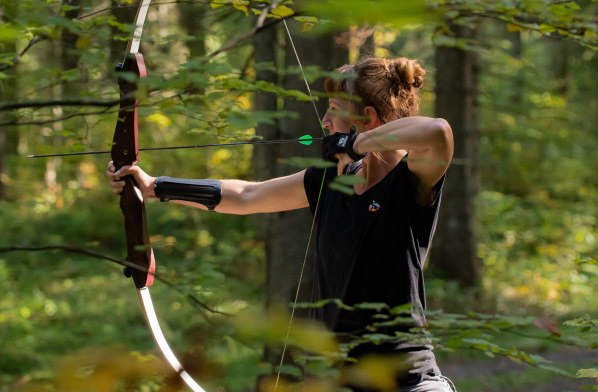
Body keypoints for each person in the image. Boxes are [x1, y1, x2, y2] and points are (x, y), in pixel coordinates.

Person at [108, 57, 455, 392]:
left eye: (334, 108)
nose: (324, 121)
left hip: (410, 383)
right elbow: (246, 195)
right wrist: (156, 187)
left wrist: (355, 144)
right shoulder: (330, 180)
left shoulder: (410, 182)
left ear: (366, 118)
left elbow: (436, 132)